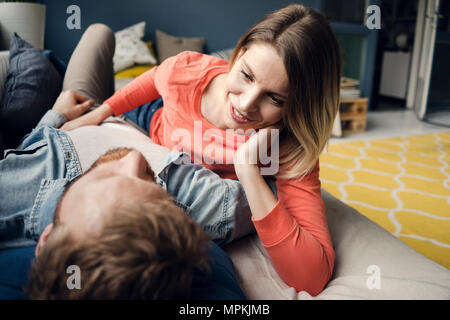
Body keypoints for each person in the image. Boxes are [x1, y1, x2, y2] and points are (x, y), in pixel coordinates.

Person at [62, 4, 342, 295]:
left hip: (166, 134)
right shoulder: (189, 70)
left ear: (298, 107)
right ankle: (86, 70)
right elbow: (155, 76)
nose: (245, 105)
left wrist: (247, 168)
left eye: (274, 98)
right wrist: (99, 113)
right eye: (246, 76)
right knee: (88, 61)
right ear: (240, 53)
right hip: (147, 115)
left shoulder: (287, 148)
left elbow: (312, 276)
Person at [0, 25, 247, 300]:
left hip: (79, 114)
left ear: (48, 240)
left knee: (98, 32)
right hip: (141, 119)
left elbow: (26, 154)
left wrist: (55, 115)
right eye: (149, 181)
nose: (134, 157)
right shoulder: (202, 204)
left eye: (105, 179)